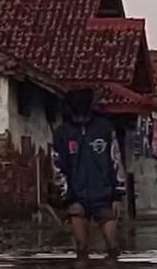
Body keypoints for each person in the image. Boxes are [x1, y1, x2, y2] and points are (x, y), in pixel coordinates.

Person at [49, 88, 124, 256]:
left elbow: (116, 160)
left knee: (113, 249)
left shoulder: (104, 128)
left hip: (105, 196)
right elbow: (57, 167)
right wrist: (68, 198)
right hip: (76, 198)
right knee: (81, 250)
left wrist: (118, 195)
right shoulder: (63, 133)